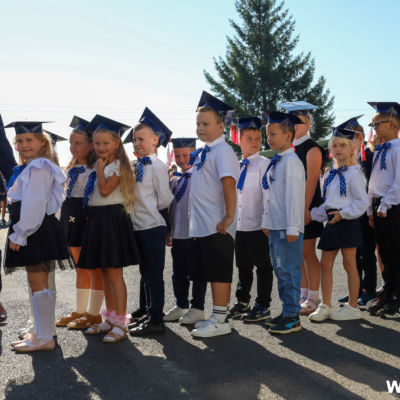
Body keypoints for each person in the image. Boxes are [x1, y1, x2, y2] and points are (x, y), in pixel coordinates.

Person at [3, 121, 69, 352]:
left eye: (29, 140)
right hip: (35, 227)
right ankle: (40, 333)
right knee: (36, 282)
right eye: (19, 141)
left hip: (34, 228)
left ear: (42, 143)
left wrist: (21, 233)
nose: (24, 145)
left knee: (38, 282)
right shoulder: (32, 166)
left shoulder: (40, 166)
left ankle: (44, 337)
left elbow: (35, 203)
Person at [77, 115, 141, 343]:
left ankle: (121, 323)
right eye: (97, 143)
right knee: (103, 271)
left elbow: (105, 191)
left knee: (114, 272)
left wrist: (100, 169)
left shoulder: (119, 166)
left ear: (116, 144)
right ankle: (110, 318)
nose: (101, 147)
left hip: (112, 219)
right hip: (97, 219)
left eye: (106, 143)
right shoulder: (101, 165)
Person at [189, 91, 239, 338]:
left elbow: (228, 183)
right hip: (205, 225)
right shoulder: (206, 152)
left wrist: (229, 217)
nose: (200, 128)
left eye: (206, 124)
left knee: (219, 272)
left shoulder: (223, 151)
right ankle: (216, 315)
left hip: (218, 224)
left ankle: (221, 319)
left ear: (221, 126)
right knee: (211, 270)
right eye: (198, 124)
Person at [309, 124, 368, 322]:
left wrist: (343, 214)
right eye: (334, 145)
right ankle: (325, 305)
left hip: (347, 222)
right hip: (332, 223)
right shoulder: (330, 174)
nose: (338, 149)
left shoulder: (354, 174)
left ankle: (353, 306)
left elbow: (362, 202)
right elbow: (328, 203)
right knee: (325, 264)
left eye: (342, 145)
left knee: (350, 264)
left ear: (352, 148)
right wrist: (312, 215)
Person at [127, 108, 174, 336]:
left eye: (141, 139)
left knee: (154, 275)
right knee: (145, 273)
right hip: (139, 227)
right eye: (135, 140)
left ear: (155, 140)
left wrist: (152, 212)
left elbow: (165, 198)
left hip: (153, 226)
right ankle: (148, 312)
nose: (137, 143)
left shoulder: (157, 166)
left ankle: (156, 321)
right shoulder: (136, 165)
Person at [56, 116, 105, 330]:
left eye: (78, 143)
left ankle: (94, 313)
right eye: (71, 143)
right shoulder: (72, 170)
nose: (73, 147)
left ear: (91, 145)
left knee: (93, 268)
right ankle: (80, 310)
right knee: (80, 268)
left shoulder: (95, 170)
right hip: (71, 219)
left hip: (87, 219)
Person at [261, 111, 305, 334]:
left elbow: (294, 197)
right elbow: (271, 195)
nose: (269, 138)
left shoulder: (292, 162)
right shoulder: (278, 161)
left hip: (288, 228)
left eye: (273, 134)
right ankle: (287, 310)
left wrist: (293, 227)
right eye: (268, 134)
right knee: (280, 270)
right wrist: (267, 221)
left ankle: (293, 316)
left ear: (288, 135)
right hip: (276, 225)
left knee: (289, 271)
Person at [279, 101, 323, 315]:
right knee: (297, 254)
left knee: (308, 252)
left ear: (308, 123)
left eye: (300, 121)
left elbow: (312, 179)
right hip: (291, 206)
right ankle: (303, 294)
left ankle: (313, 296)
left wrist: (304, 209)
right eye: (292, 122)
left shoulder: (312, 147)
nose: (296, 125)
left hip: (307, 205)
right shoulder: (289, 148)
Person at [229, 117, 273, 322]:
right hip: (239, 225)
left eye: (258, 138)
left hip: (258, 225)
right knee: (243, 266)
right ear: (239, 140)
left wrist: (266, 220)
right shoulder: (235, 166)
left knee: (263, 266)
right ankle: (242, 301)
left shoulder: (265, 164)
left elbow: (268, 194)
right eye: (250, 138)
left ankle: (263, 304)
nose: (255, 142)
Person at [164, 138, 208, 325]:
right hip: (178, 233)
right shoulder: (175, 179)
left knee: (197, 272)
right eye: (178, 155)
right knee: (178, 273)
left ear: (195, 154)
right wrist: (169, 231)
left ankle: (197, 308)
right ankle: (181, 305)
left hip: (195, 234)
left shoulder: (201, 177)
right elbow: (170, 208)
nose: (181, 159)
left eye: (186, 155)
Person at [366, 102, 400, 318]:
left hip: (393, 206)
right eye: (374, 124)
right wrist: (371, 208)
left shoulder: (397, 149)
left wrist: (385, 204)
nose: (375, 127)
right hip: (379, 205)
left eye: (379, 123)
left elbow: (399, 182)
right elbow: (374, 182)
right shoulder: (380, 150)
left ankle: (397, 297)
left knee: (396, 252)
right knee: (384, 253)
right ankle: (388, 292)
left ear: (394, 124)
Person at [343, 117, 377, 309]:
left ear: (361, 137)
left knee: (367, 253)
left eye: (352, 137)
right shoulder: (348, 159)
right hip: (351, 212)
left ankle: (369, 290)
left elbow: (372, 186)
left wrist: (370, 211)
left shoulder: (369, 156)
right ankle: (355, 290)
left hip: (366, 212)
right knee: (353, 254)